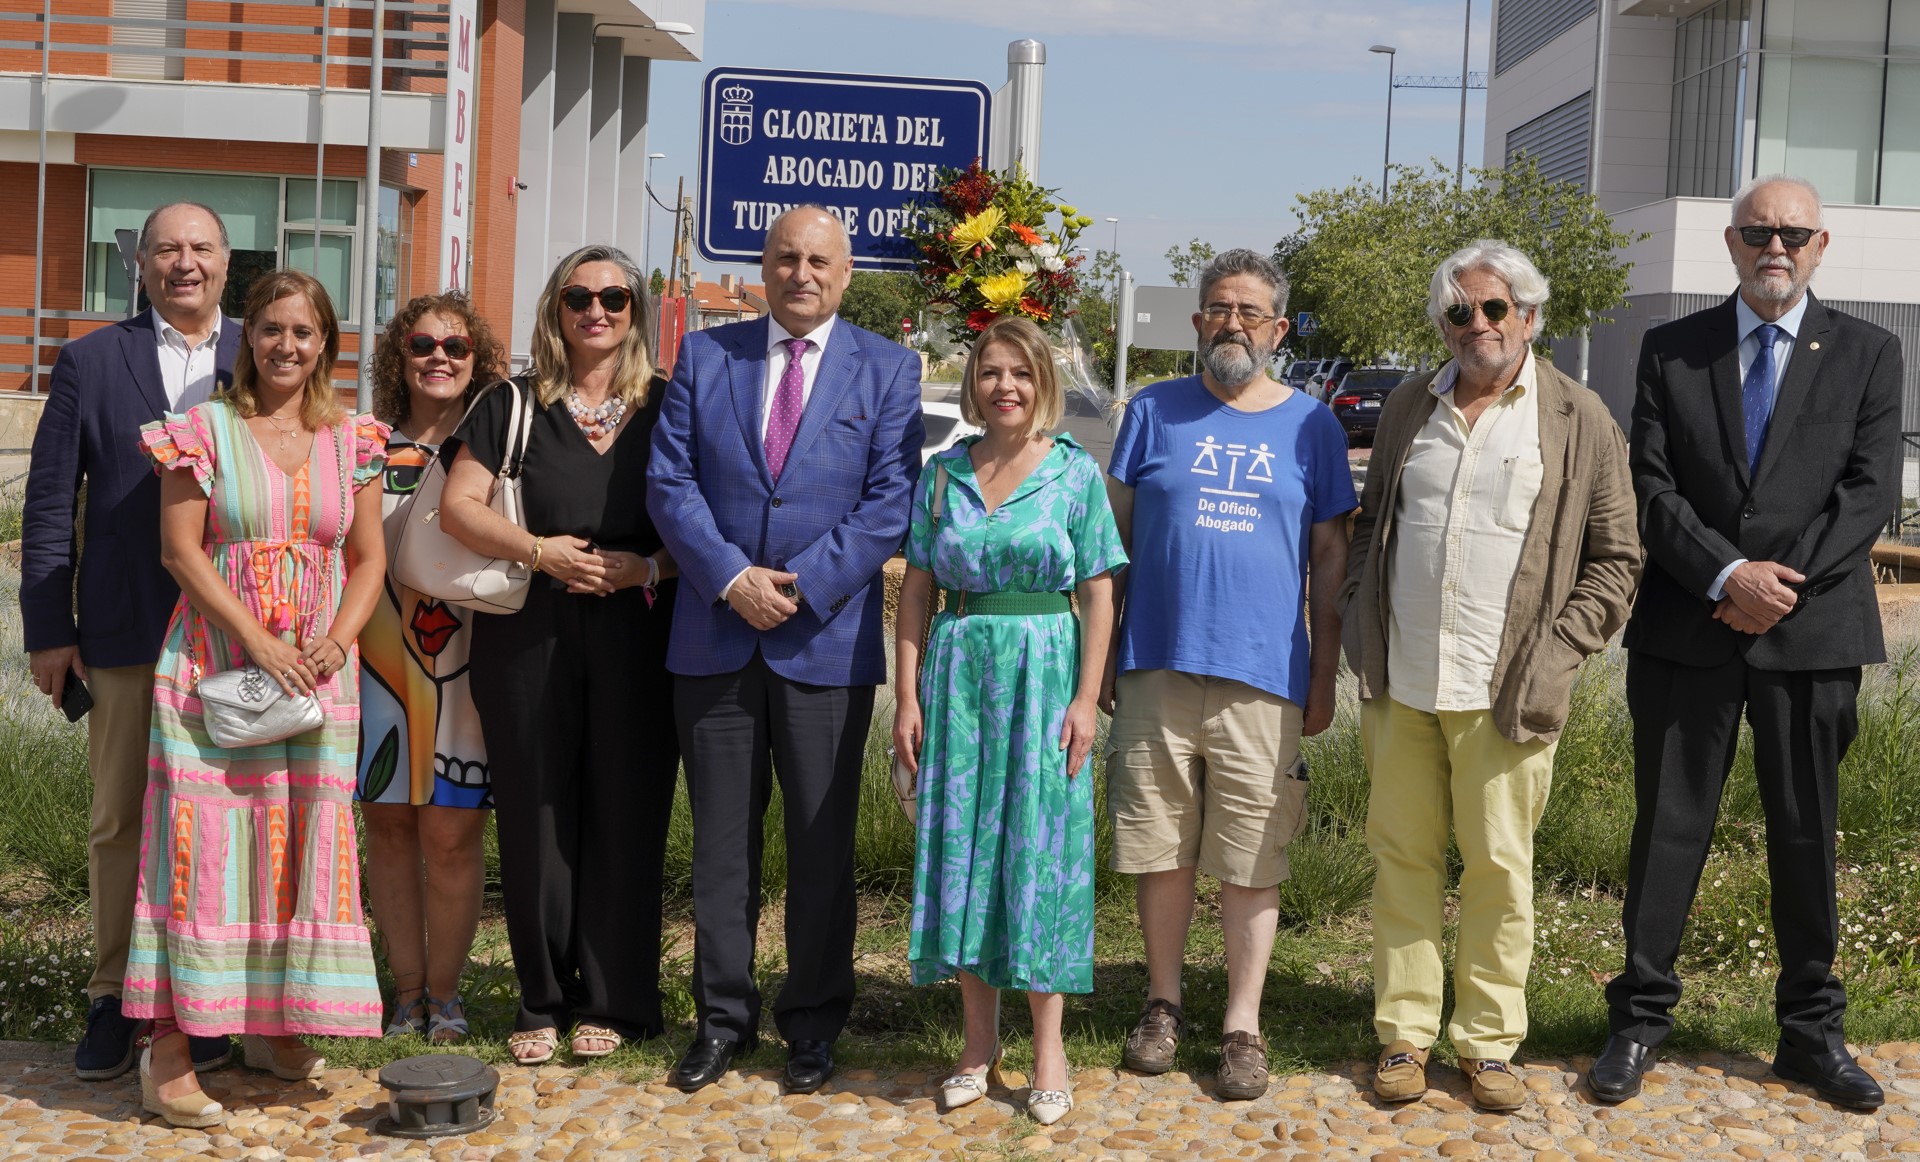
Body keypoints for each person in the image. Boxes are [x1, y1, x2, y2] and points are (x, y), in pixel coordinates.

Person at [1592, 175, 1904, 1109]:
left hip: (1813, 637)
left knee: (1807, 836)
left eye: (1794, 234)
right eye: (1759, 231)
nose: (1777, 246)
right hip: (1690, 629)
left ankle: (1811, 1035)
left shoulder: (1869, 352)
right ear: (1731, 244)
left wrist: (1775, 589)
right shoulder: (1669, 350)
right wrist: (1727, 576)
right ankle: (1640, 1021)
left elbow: (1868, 491)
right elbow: (1649, 485)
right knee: (1666, 833)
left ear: (1820, 247)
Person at [1340, 241, 1641, 1111]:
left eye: (1495, 308)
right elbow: (1371, 524)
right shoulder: (1407, 404)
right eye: (1460, 313)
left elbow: (1617, 559)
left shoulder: (1578, 417)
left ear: (1531, 316)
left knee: (1499, 870)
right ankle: (1404, 1035)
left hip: (1508, 688)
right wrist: (1362, 614)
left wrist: (1558, 654)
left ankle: (1488, 1044)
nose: (1478, 325)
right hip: (1403, 681)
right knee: (1401, 860)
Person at [648, 205, 925, 1094]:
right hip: (715, 634)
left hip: (825, 643)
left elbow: (890, 502)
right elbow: (670, 480)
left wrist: (798, 585)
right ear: (761, 268)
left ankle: (811, 1024)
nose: (801, 274)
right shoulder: (705, 356)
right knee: (722, 849)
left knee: (820, 848)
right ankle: (721, 1022)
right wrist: (733, 579)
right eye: (785, 258)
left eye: (819, 261)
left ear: (845, 275)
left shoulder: (888, 369)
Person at [125, 269, 388, 1127]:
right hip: (214, 666)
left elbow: (369, 560)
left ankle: (277, 1027)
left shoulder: (354, 438)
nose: (287, 346)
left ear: (327, 343)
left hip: (318, 674)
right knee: (199, 848)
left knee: (298, 843)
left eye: (304, 332)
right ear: (250, 339)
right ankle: (167, 1046)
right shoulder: (201, 430)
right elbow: (181, 552)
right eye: (271, 329)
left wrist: (333, 644)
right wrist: (262, 641)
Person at [1101, 249, 1355, 1101]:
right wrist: (1098, 656)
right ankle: (1163, 1004)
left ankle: (1242, 1024)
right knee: (1160, 845)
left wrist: (1324, 674)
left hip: (1264, 674)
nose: (1233, 323)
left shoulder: (1312, 426)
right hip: (1155, 665)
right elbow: (1114, 545)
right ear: (1197, 321)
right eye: (1219, 308)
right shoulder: (1152, 413)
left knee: (1252, 853)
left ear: (1279, 329)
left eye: (1251, 312)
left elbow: (1330, 555)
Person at [439, 245, 679, 1066]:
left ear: (635, 312)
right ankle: (541, 1000)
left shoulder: (669, 407)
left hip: (639, 628)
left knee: (627, 810)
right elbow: (458, 508)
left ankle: (615, 1000)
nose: (597, 310)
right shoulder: (510, 403)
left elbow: (709, 530)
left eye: (615, 296)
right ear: (556, 309)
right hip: (528, 627)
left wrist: (643, 565)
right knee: (537, 811)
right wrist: (541, 552)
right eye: (579, 296)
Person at [20, 201, 242, 1081]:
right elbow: (48, 503)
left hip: (233, 633)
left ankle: (210, 1002)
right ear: (140, 263)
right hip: (121, 629)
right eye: (166, 250)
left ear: (228, 262)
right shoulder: (88, 360)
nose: (183, 263)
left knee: (223, 821)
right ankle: (112, 997)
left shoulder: (262, 355)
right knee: (119, 819)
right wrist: (48, 629)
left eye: (201, 247)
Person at [894, 317, 1125, 1126]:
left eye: (1021, 374)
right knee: (965, 848)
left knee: (1040, 850)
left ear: (1043, 384)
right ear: (973, 383)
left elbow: (1098, 590)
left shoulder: (1071, 474)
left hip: (1044, 672)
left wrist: (1087, 698)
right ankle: (975, 1043)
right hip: (959, 673)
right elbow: (917, 590)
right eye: (991, 373)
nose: (1006, 387)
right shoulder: (943, 475)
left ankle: (1050, 1048)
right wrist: (909, 696)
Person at [357, 292, 508, 1043]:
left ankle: (447, 997)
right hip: (377, 662)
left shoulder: (503, 445)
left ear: (478, 359)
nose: (439, 357)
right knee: (386, 827)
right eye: (422, 345)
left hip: (469, 663)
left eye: (456, 346)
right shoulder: (362, 445)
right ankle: (404, 992)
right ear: (399, 358)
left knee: (451, 833)